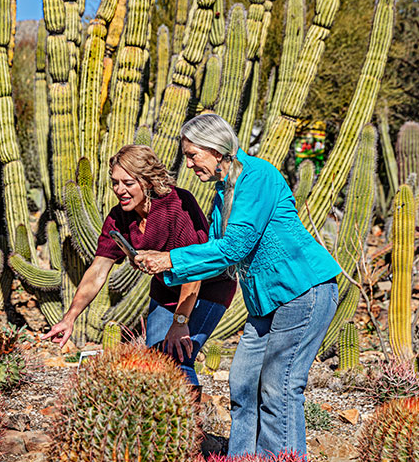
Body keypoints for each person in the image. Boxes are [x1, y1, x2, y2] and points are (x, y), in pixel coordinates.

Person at [135, 113, 341, 457]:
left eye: (193, 155)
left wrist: (170, 258)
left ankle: (281, 456)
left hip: (303, 291)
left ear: (217, 150)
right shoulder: (222, 194)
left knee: (280, 387)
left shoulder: (255, 177)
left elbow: (234, 247)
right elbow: (218, 259)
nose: (189, 165)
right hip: (266, 303)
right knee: (243, 381)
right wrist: (163, 268)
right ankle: (242, 456)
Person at [42, 144, 235, 390]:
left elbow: (194, 268)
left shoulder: (176, 205)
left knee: (179, 358)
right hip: (166, 290)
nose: (119, 190)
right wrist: (70, 318)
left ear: (147, 181)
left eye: (128, 183)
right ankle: (163, 424)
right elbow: (98, 270)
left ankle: (191, 427)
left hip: (206, 289)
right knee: (154, 362)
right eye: (115, 182)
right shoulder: (118, 217)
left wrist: (180, 321)